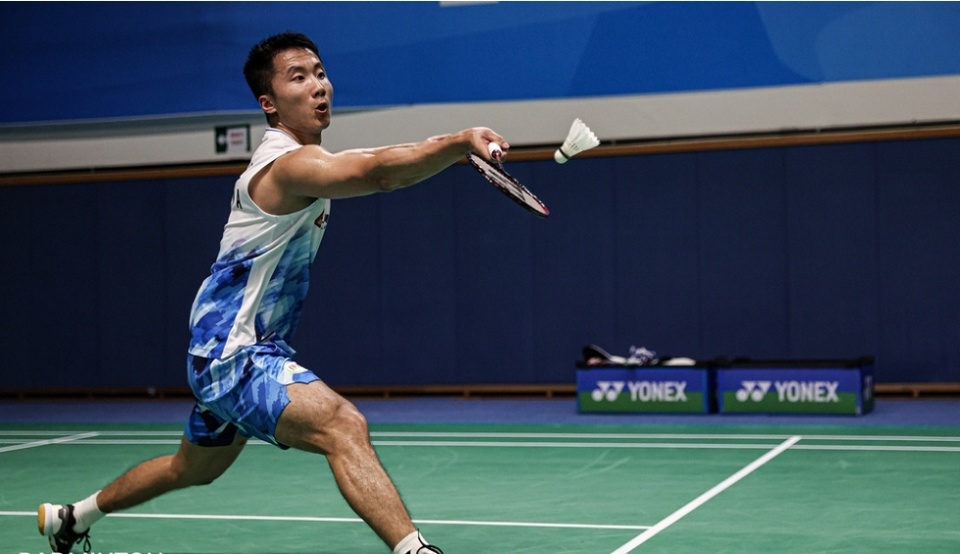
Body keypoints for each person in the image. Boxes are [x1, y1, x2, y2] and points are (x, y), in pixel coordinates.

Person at [38, 31, 510, 554]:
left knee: (191, 469)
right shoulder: (286, 165)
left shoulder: (300, 160)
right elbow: (375, 172)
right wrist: (459, 141)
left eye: (320, 73)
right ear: (269, 103)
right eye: (298, 77)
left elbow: (373, 166)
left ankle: (71, 517)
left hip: (223, 350)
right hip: (234, 354)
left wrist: (451, 149)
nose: (318, 85)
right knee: (342, 425)